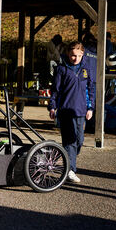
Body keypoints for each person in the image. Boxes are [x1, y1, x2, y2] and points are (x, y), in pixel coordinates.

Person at [48, 41, 94, 184]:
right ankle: (70, 170)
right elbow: (55, 90)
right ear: (68, 54)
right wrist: (52, 106)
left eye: (77, 56)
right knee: (69, 142)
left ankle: (69, 160)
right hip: (65, 110)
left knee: (79, 141)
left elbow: (91, 89)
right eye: (72, 55)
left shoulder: (86, 69)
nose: (74, 58)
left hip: (81, 111)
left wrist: (90, 108)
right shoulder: (61, 69)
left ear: (82, 54)